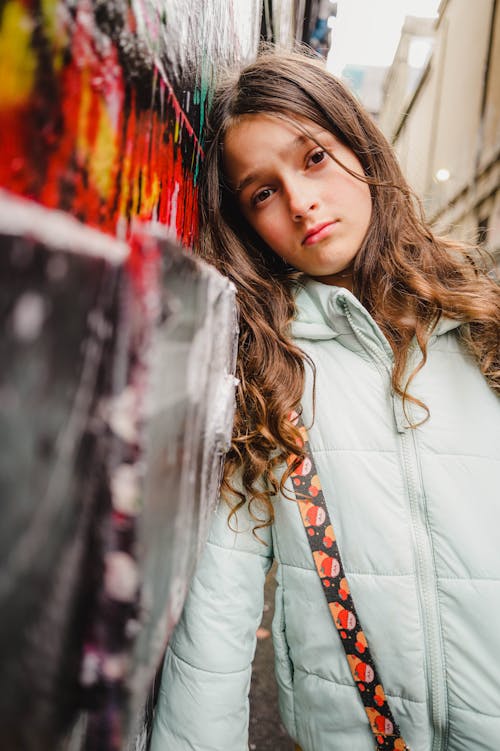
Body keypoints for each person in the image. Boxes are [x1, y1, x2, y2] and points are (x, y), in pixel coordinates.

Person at [150, 48, 500, 751]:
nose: (300, 201)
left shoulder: (484, 328)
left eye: (312, 158)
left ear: (358, 142)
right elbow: (219, 619)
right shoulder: (268, 377)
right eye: (262, 191)